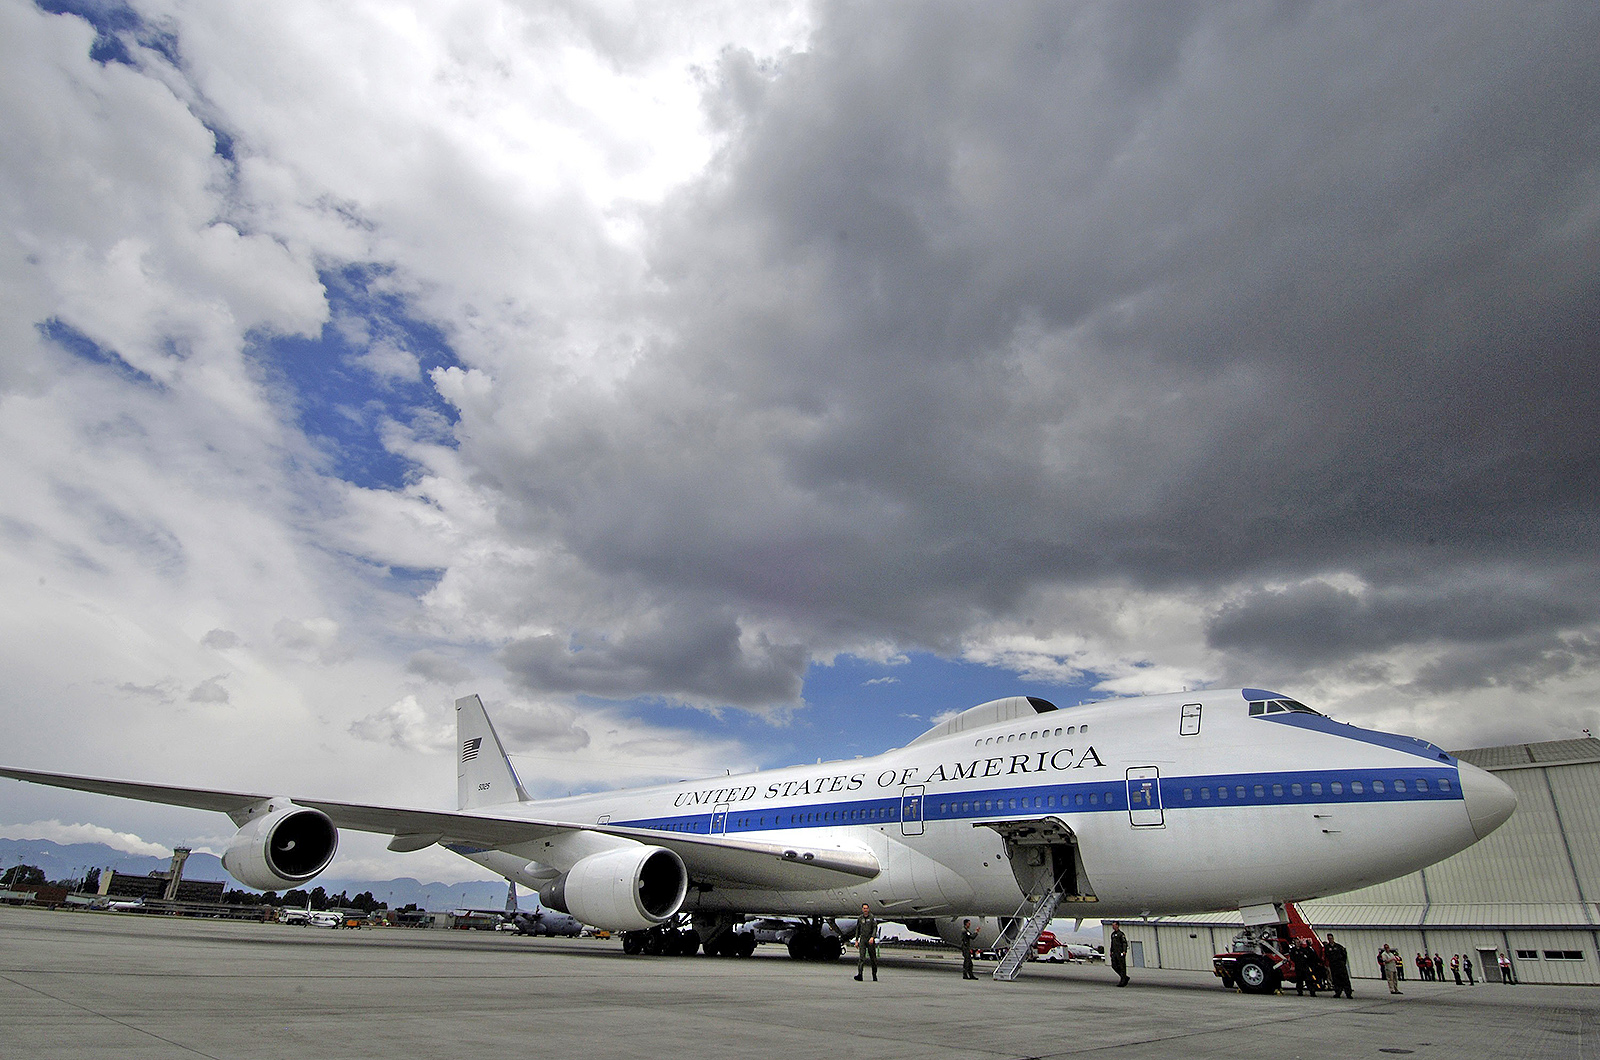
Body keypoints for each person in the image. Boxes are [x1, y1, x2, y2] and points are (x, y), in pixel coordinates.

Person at [1324, 934, 1354, 999]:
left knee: (1345, 979)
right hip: (1333, 966)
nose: (1330, 940)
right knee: (1336, 980)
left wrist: (1342, 962)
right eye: (1329, 938)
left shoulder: (1339, 947)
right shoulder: (1327, 947)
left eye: (1331, 938)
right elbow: (1327, 956)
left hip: (1341, 965)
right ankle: (1338, 992)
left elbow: (1344, 955)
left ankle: (1348, 993)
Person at [854, 903, 878, 981]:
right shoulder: (860, 918)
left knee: (873, 959)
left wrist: (873, 937)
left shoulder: (872, 917)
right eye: (864, 908)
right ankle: (860, 975)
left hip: (870, 939)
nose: (865, 910)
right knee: (861, 958)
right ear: (862, 909)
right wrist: (856, 940)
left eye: (866, 908)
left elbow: (875, 927)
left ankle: (874, 975)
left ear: (868, 909)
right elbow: (857, 929)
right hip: (863, 939)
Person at [1109, 922, 1130, 987]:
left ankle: (1123, 981)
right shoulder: (1112, 934)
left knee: (1122, 966)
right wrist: (1111, 951)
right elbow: (1112, 944)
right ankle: (1124, 977)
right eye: (1112, 926)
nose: (1113, 927)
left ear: (1117, 926)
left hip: (1120, 952)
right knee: (1114, 965)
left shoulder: (1121, 934)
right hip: (1114, 952)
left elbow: (1124, 943)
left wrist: (1124, 951)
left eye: (1114, 925)